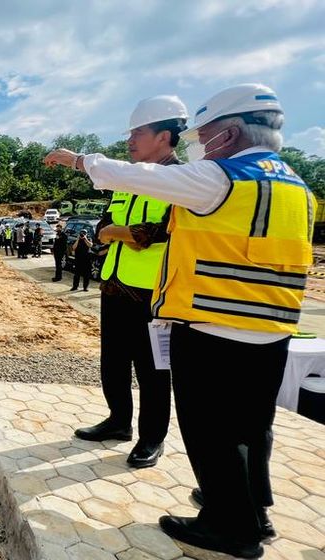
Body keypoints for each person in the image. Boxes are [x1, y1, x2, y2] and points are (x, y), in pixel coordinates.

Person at [45, 84, 311, 559]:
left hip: (213, 320)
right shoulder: (295, 185)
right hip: (271, 326)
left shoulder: (220, 178)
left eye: (205, 137)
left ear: (229, 133)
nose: (201, 147)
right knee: (251, 427)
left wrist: (77, 160)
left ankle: (231, 527)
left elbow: (127, 178)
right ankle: (251, 508)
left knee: (209, 428)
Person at [72, 96, 187, 472]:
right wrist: (122, 233)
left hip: (153, 295)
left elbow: (155, 233)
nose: (130, 140)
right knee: (114, 363)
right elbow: (102, 229)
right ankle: (117, 421)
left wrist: (120, 233)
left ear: (164, 136)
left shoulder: (181, 182)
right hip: (114, 286)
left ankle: (151, 438)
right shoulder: (125, 183)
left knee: (154, 370)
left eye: (138, 132)